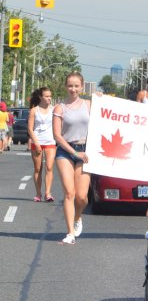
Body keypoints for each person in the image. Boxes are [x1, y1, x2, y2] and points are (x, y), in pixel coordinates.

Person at [53, 72, 92, 245]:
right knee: (69, 192)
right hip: (66, 151)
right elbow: (57, 136)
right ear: (65, 86)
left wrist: (101, 98)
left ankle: (77, 217)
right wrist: (74, 153)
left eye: (76, 86)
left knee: (81, 197)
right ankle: (70, 233)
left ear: (82, 87)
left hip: (85, 151)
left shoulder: (90, 105)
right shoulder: (60, 108)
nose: (73, 89)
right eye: (70, 85)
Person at [27, 87, 57, 202]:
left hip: (50, 142)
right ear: (41, 97)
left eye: (50, 96)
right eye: (46, 96)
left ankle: (48, 193)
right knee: (38, 169)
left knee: (49, 167)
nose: (49, 98)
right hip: (37, 141)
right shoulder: (34, 110)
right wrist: (36, 143)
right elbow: (30, 129)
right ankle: (38, 193)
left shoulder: (54, 110)